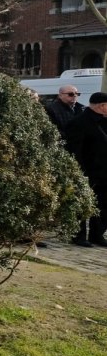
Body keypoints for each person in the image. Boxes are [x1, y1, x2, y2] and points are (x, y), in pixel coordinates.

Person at [46, 84, 89, 246]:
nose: (74, 97)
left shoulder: (80, 109)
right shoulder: (52, 109)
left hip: (79, 155)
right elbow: (54, 132)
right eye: (70, 94)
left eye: (77, 94)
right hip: (62, 155)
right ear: (61, 95)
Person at [71, 92, 107, 248]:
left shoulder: (105, 121)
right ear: (102, 106)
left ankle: (97, 234)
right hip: (87, 172)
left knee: (103, 205)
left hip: (104, 172)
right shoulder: (78, 123)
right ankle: (78, 235)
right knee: (81, 205)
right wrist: (80, 173)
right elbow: (75, 151)